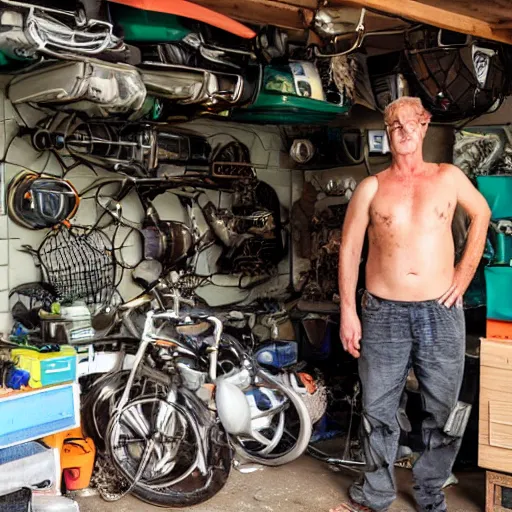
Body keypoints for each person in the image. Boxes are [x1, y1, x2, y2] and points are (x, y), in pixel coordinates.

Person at [331, 96, 491, 512]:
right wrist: (348, 311)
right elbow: (349, 251)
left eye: (410, 123)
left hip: (440, 311)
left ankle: (430, 492)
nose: (402, 130)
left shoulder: (448, 177)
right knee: (378, 409)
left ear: (424, 125)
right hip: (382, 312)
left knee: (444, 410)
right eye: (394, 124)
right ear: (387, 131)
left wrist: (463, 274)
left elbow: (483, 215)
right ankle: (377, 493)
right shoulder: (371, 187)